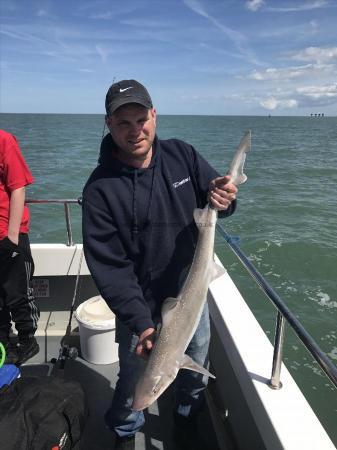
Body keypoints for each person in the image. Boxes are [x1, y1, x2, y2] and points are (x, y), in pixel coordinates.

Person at [82, 80, 238, 450]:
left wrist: (226, 197)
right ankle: (124, 431)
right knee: (134, 374)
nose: (135, 130)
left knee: (196, 359)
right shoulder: (100, 190)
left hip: (191, 291)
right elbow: (110, 267)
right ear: (108, 124)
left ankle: (187, 413)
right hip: (140, 301)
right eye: (123, 123)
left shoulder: (182, 154)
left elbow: (218, 201)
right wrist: (140, 323)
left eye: (141, 119)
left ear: (154, 115)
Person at [0, 130, 40, 366]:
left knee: (18, 294)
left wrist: (12, 238)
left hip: (9, 235)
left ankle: (28, 341)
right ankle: (3, 341)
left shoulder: (4, 140)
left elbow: (18, 187)